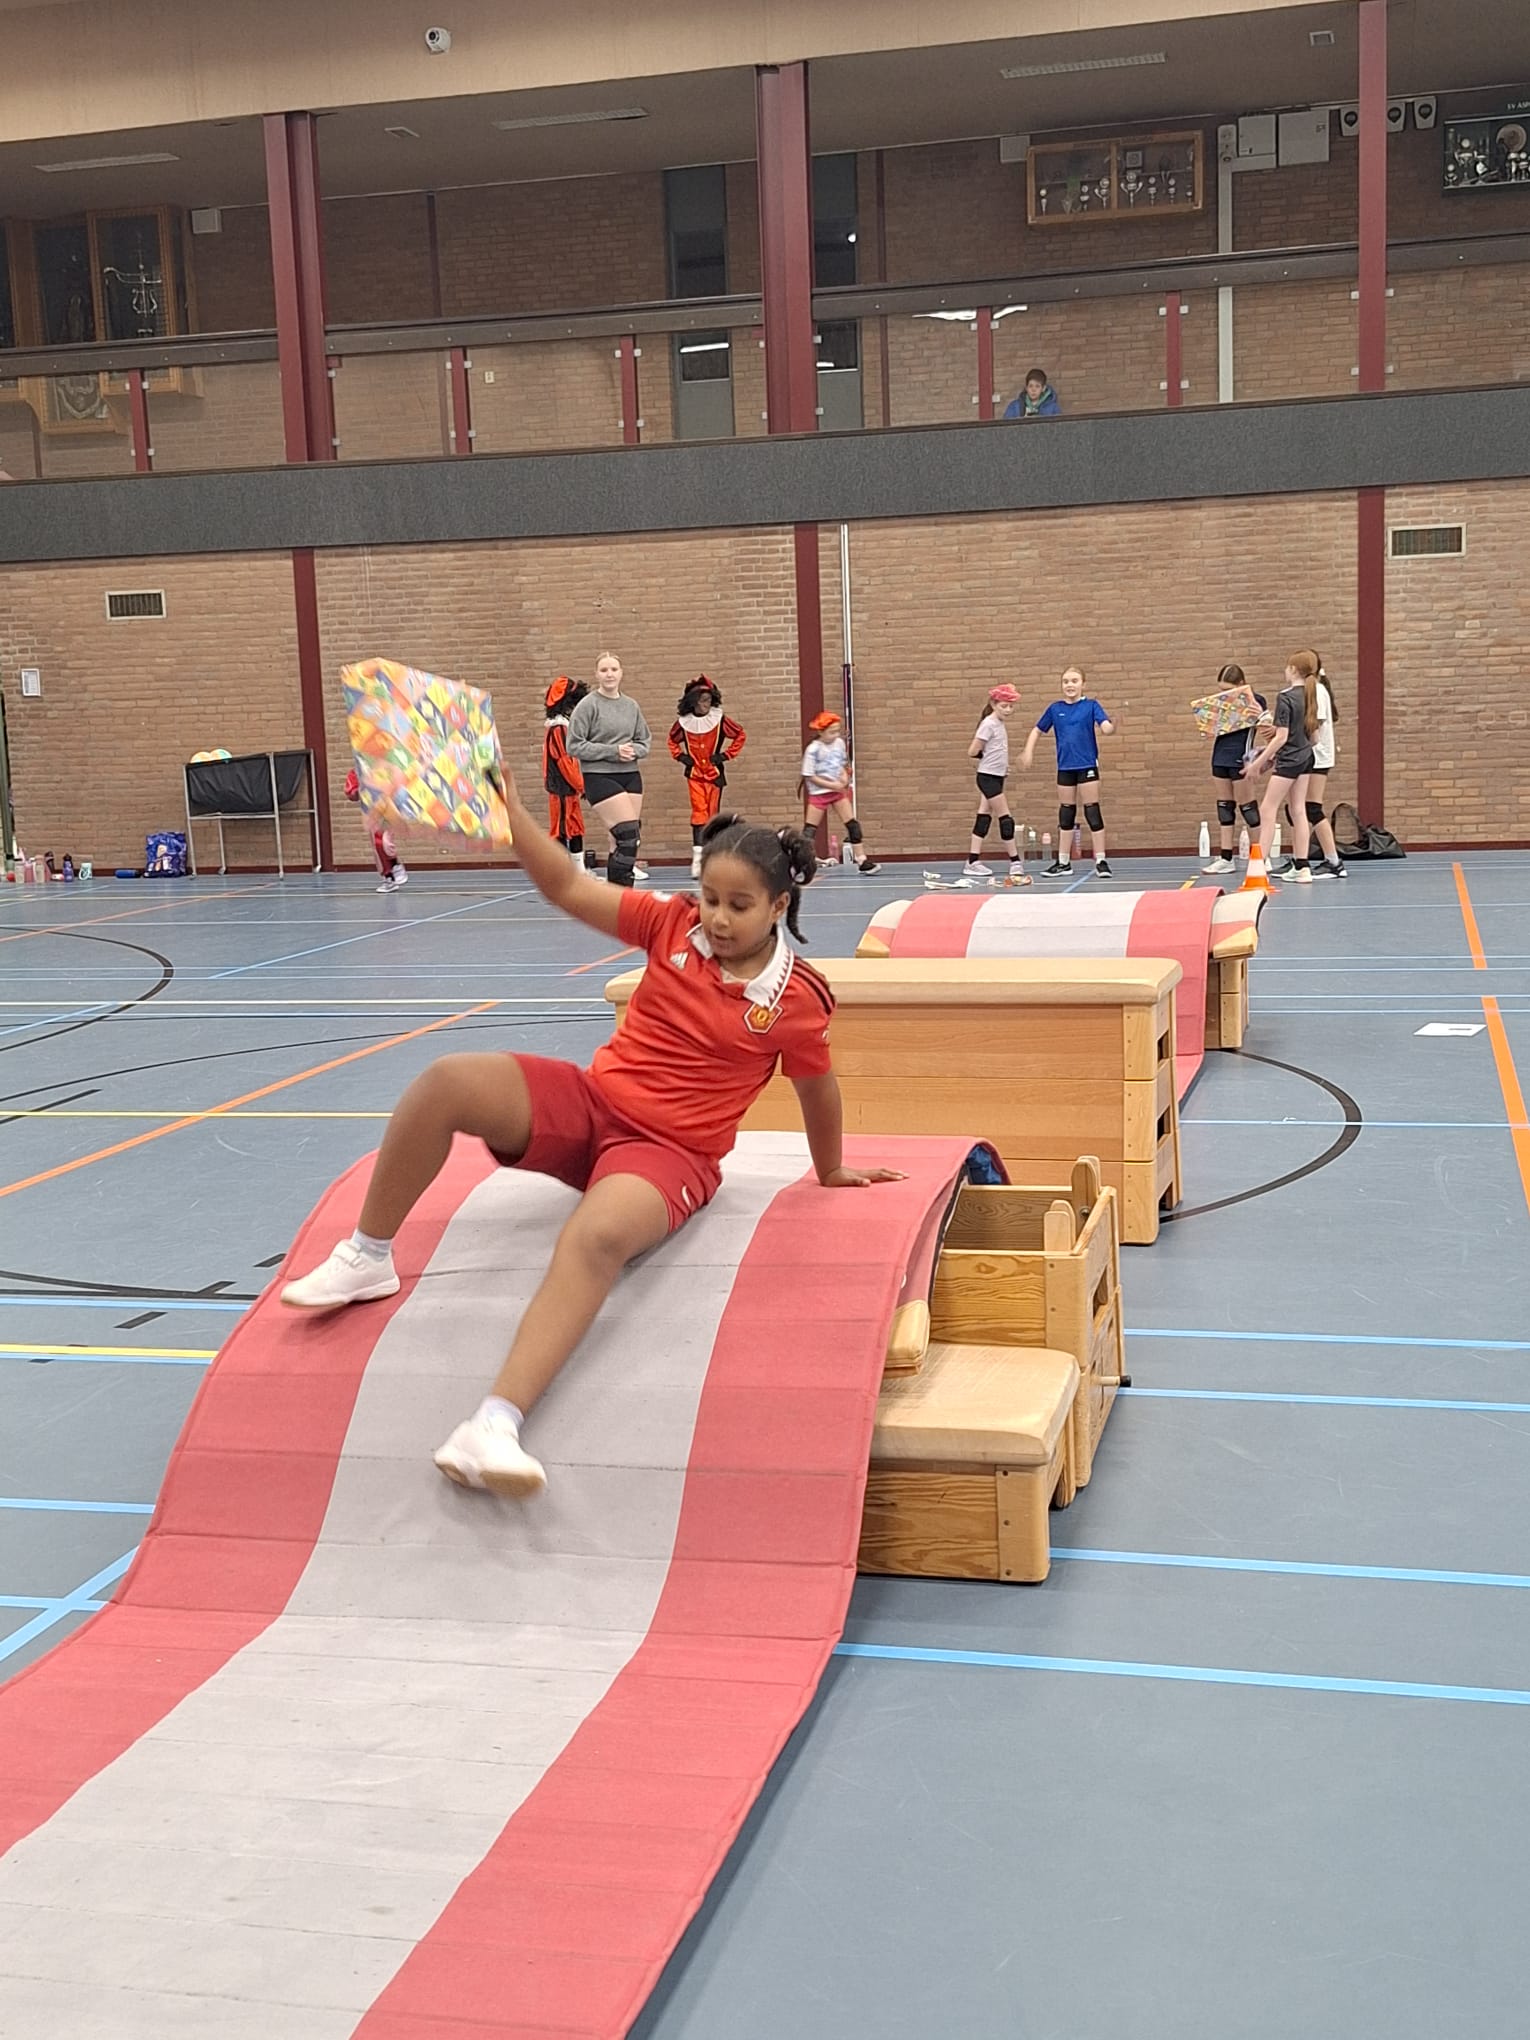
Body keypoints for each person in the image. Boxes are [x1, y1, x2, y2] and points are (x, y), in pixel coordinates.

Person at [280, 768, 906, 1498]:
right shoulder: (670, 924)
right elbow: (567, 888)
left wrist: (829, 1169)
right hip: (594, 1105)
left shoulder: (796, 998)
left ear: (779, 905)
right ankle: (368, 1254)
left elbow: (816, 1088)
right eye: (710, 898)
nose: (718, 918)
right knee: (448, 1081)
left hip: (670, 1155)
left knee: (595, 1237)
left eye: (739, 906)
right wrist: (513, 814)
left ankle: (493, 1424)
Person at [1020, 666, 1115, 878]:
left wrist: (1111, 727)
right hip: (1065, 767)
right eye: (1066, 681)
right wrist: (1028, 751)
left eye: (1074, 681)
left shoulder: (1091, 705)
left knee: (1092, 811)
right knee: (1066, 812)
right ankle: (1063, 862)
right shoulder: (1055, 709)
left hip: (1086, 765)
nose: (1070, 685)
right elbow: (1037, 730)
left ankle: (1101, 860)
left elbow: (1105, 726)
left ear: (1083, 684)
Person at [567, 651, 651, 886]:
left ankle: (617, 895)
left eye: (614, 669)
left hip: (630, 775)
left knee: (625, 840)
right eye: (604, 670)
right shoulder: (588, 705)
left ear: (621, 673)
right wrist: (613, 751)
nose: (609, 674)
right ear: (597, 674)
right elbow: (574, 745)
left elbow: (644, 741)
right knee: (627, 834)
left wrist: (634, 750)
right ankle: (621, 897)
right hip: (600, 776)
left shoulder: (631, 706)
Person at [1243, 649, 1320, 885]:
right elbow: (1315, 737)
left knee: (1267, 809)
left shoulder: (1285, 697)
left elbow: (1281, 737)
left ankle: (1259, 867)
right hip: (1306, 757)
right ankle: (1302, 867)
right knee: (1298, 810)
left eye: (1287, 667)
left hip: (1290, 761)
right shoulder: (1310, 695)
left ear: (1293, 670)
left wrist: (1258, 763)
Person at [668, 675, 747, 878]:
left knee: (712, 815)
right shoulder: (684, 724)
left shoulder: (719, 720)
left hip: (714, 775)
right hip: (695, 774)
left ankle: (712, 858)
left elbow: (740, 735)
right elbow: (672, 740)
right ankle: (698, 859)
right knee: (698, 814)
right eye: (702, 701)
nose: (706, 705)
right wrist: (681, 756)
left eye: (708, 700)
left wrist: (725, 755)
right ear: (693, 702)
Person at [1201, 661, 1267, 875]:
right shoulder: (1220, 703)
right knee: (1224, 807)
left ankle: (1260, 856)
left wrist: (1260, 715)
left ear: (1241, 684)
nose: (1225, 695)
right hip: (1220, 757)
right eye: (1222, 691)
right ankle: (1226, 858)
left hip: (1240, 757)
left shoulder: (1256, 700)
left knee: (1248, 807)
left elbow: (1264, 726)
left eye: (1229, 690)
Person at [800, 710, 880, 875]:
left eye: (837, 731)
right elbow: (809, 775)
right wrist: (831, 785)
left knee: (852, 824)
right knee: (810, 830)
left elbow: (842, 764)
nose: (835, 735)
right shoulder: (813, 749)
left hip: (837, 792)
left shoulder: (839, 744)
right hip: (819, 793)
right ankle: (802, 861)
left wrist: (844, 778)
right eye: (831, 732)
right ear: (821, 732)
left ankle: (862, 860)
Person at [964, 682, 1026, 878]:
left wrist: (1001, 766)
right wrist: (987, 761)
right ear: (993, 704)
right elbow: (973, 750)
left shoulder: (999, 723)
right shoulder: (988, 724)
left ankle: (972, 860)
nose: (1008, 710)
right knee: (1005, 817)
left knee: (984, 816)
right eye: (1004, 706)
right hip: (987, 777)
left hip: (997, 776)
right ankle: (1015, 861)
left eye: (1011, 706)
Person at [1303, 656, 1347, 879]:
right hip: (1309, 756)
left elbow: (1314, 727)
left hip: (1317, 757)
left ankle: (1334, 861)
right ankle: (1299, 861)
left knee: (1312, 808)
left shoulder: (1318, 691)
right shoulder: (1311, 690)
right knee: (1297, 809)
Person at [542, 674, 588, 869]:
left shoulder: (561, 727)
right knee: (562, 829)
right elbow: (565, 762)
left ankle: (578, 870)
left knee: (574, 827)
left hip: (568, 789)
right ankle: (563, 871)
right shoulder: (559, 729)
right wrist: (582, 785)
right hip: (563, 788)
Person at [343, 765, 408, 894]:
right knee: (377, 846)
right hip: (373, 813)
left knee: (385, 841)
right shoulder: (357, 771)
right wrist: (359, 789)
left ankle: (395, 864)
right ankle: (388, 878)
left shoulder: (387, 766)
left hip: (390, 810)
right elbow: (351, 794)